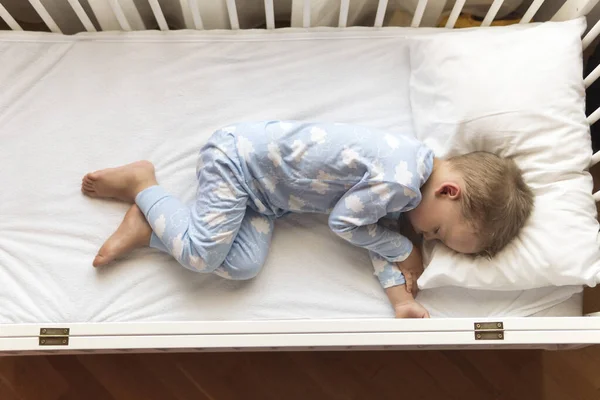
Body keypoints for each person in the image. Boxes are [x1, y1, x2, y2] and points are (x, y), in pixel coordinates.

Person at [81, 121, 534, 318]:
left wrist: (401, 300)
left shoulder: (408, 193)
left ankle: (151, 228)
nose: (424, 236)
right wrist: (404, 249)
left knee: (241, 266)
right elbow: (348, 226)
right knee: (202, 257)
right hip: (238, 161)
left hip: (265, 200)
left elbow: (372, 236)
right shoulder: (400, 182)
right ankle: (143, 183)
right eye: (436, 232)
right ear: (449, 191)